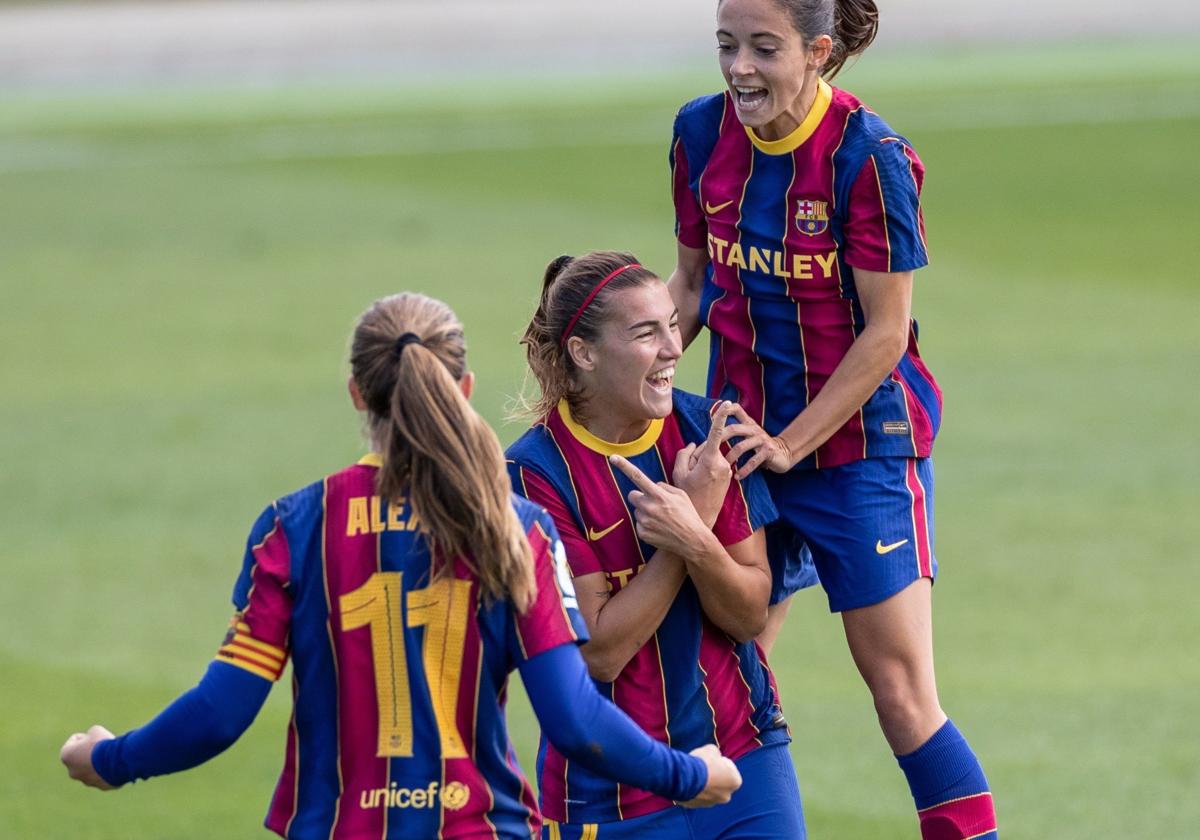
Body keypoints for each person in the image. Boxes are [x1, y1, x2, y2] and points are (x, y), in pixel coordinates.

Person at [60, 292, 744, 839]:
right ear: (466, 387)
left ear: (358, 394)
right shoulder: (515, 527)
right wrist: (689, 774)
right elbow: (573, 718)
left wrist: (109, 759)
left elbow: (220, 713)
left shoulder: (297, 526)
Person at [665, 1, 998, 838]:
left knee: (899, 693)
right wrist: (627, 374)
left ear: (818, 52)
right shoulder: (699, 138)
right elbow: (692, 286)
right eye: (726, 46)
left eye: (763, 48)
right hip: (738, 444)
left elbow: (887, 334)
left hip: (860, 451)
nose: (739, 67)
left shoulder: (869, 158)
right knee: (727, 680)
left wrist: (791, 444)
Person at [507, 251, 806, 840]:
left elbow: (749, 614)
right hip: (611, 787)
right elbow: (600, 653)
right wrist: (688, 528)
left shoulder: (710, 430)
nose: (673, 347)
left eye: (673, 323)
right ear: (584, 353)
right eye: (646, 333)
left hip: (744, 754)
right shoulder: (533, 474)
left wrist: (696, 540)